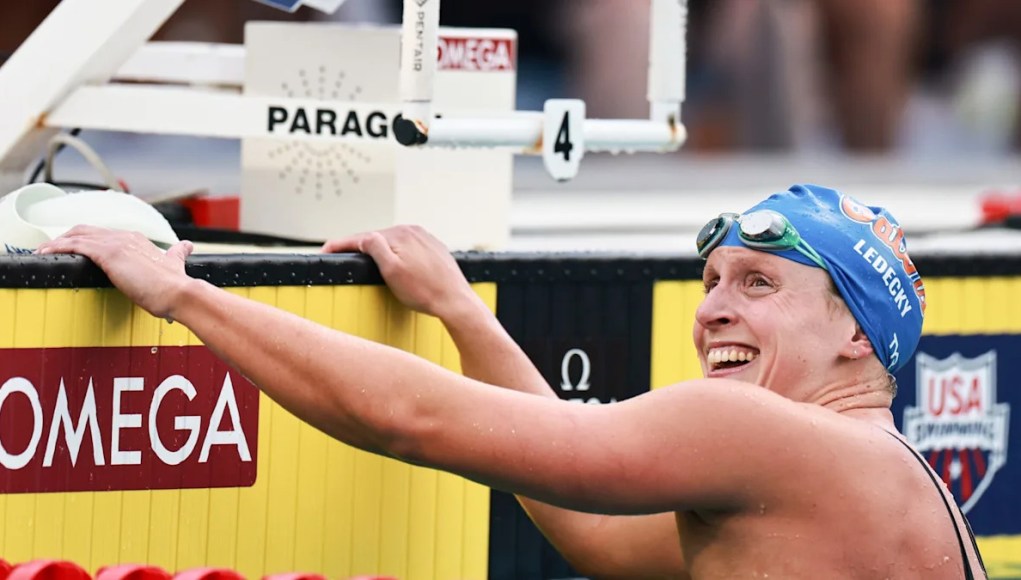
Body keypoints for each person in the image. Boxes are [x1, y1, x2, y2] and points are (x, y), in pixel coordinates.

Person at [37, 184, 986, 578]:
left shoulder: (770, 440)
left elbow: (410, 418)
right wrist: (463, 313)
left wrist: (184, 295)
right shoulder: (877, 480)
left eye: (759, 284)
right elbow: (594, 533)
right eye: (710, 283)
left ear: (857, 333)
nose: (712, 311)